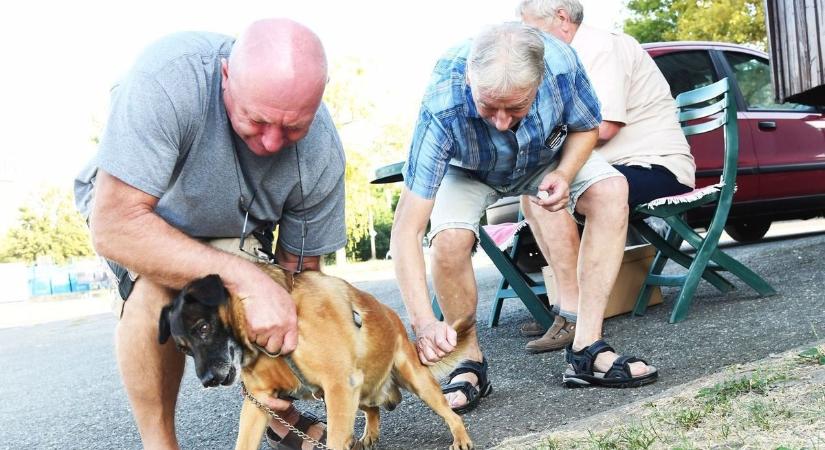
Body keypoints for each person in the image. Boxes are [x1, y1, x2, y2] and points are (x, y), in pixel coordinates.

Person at [74, 18, 345, 450]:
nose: (273, 143)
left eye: (293, 127)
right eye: (257, 120)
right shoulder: (167, 80)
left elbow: (301, 275)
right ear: (225, 78)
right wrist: (244, 278)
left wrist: (291, 360)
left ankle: (276, 410)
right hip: (140, 213)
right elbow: (115, 227)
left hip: (236, 226)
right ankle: (160, 443)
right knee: (158, 291)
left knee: (280, 300)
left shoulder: (321, 154)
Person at [390, 21, 656, 411]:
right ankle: (468, 363)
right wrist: (424, 324)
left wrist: (564, 174)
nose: (500, 121)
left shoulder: (562, 64)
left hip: (543, 157)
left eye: (515, 108)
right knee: (449, 239)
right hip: (467, 169)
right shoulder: (442, 102)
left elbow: (586, 127)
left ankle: (587, 350)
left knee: (611, 190)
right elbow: (406, 231)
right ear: (469, 80)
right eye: (487, 106)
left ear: (540, 81)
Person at [517, 0, 696, 354]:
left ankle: (575, 315)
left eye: (531, 28)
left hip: (655, 165)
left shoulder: (601, 47)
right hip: (616, 166)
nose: (527, 39)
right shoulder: (565, 58)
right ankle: (567, 307)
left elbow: (604, 127)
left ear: (562, 19)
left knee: (557, 192)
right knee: (533, 191)